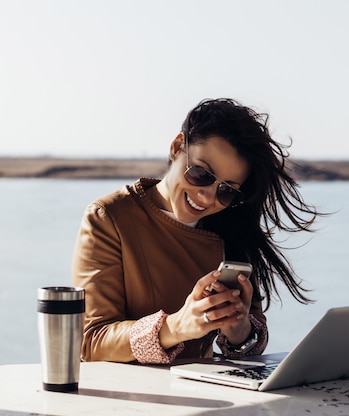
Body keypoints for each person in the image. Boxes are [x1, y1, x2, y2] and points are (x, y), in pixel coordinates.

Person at [71, 98, 321, 364]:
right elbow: (92, 341)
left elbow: (250, 345)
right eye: (201, 174)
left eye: (227, 191)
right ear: (177, 147)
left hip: (208, 394)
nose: (207, 197)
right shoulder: (109, 217)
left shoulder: (232, 225)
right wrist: (176, 327)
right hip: (124, 397)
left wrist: (238, 329)